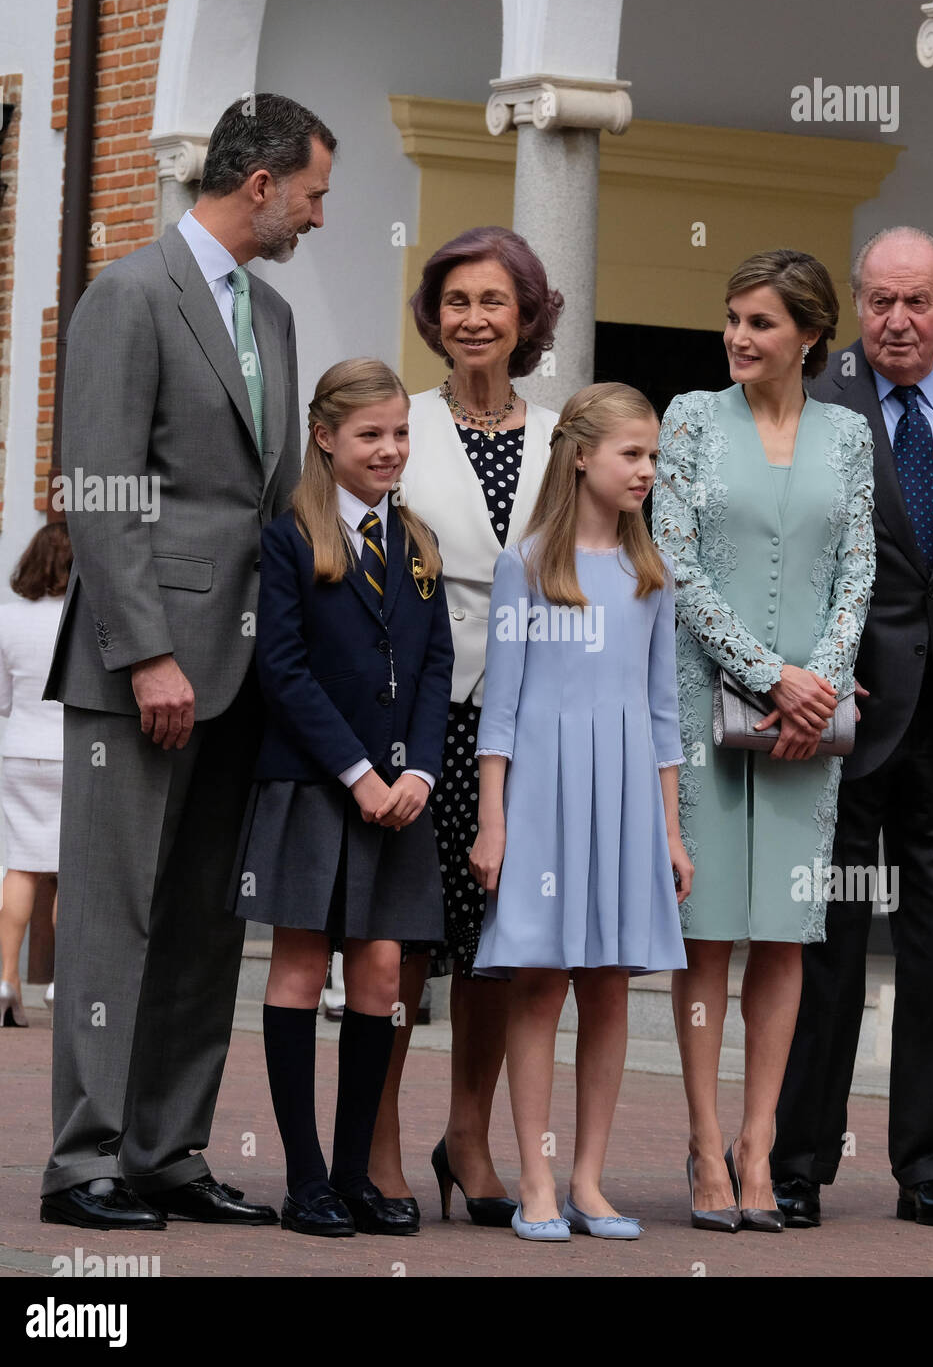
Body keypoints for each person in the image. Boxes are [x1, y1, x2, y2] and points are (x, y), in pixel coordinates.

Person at [40, 94, 336, 1231]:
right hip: (142, 668)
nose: (320, 215)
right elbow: (104, 492)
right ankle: (85, 1164)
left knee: (212, 918)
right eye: (312, 192)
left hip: (247, 666)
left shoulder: (269, 310)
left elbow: (263, 499)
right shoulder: (127, 295)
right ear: (260, 184)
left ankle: (168, 1150)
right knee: (116, 916)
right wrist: (150, 653)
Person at [772, 227, 933, 1231]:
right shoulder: (820, 393)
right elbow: (786, 557)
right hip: (842, 719)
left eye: (916, 301)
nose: (897, 320)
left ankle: (928, 1167)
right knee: (828, 946)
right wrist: (807, 678)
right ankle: (798, 1163)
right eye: (880, 300)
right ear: (856, 305)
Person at [654, 249, 875, 1232]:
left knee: (784, 939)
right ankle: (704, 1145)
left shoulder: (848, 434)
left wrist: (816, 686)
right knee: (706, 935)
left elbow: (858, 570)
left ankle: (758, 1146)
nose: (741, 337)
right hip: (707, 700)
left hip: (806, 727)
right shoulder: (692, 418)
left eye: (763, 323)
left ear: (810, 336)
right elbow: (676, 562)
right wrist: (770, 675)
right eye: (735, 318)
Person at [232, 359, 453, 1237]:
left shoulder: (420, 542)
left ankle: (360, 1170)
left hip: (401, 795)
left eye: (400, 433)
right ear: (325, 438)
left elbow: (436, 668)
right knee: (298, 965)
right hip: (315, 786)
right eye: (370, 435)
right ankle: (306, 1180)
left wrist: (419, 774)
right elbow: (280, 670)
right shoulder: (290, 536)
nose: (389, 449)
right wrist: (357, 774)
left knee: (380, 969)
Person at [369, 227, 562, 1227]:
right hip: (418, 715)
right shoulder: (401, 425)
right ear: (434, 319)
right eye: (455, 301)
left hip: (527, 721)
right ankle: (383, 1141)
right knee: (403, 942)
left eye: (493, 301)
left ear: (527, 315)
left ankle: (471, 1138)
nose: (473, 318)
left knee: (502, 942)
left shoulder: (562, 435)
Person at [470, 382, 692, 1241]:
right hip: (543, 800)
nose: (645, 470)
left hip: (629, 796)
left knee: (608, 991)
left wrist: (671, 832)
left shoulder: (652, 571)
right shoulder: (525, 565)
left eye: (652, 456)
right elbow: (504, 708)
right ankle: (534, 1178)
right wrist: (492, 820)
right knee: (538, 984)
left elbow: (664, 710)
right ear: (580, 455)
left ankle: (590, 1183)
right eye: (631, 454)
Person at [0, 523, 72, 1027]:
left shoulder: (9, 617)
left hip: (20, 755)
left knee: (21, 866)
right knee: (69, 873)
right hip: (73, 756)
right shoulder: (85, 618)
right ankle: (62, 982)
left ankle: (6, 979)